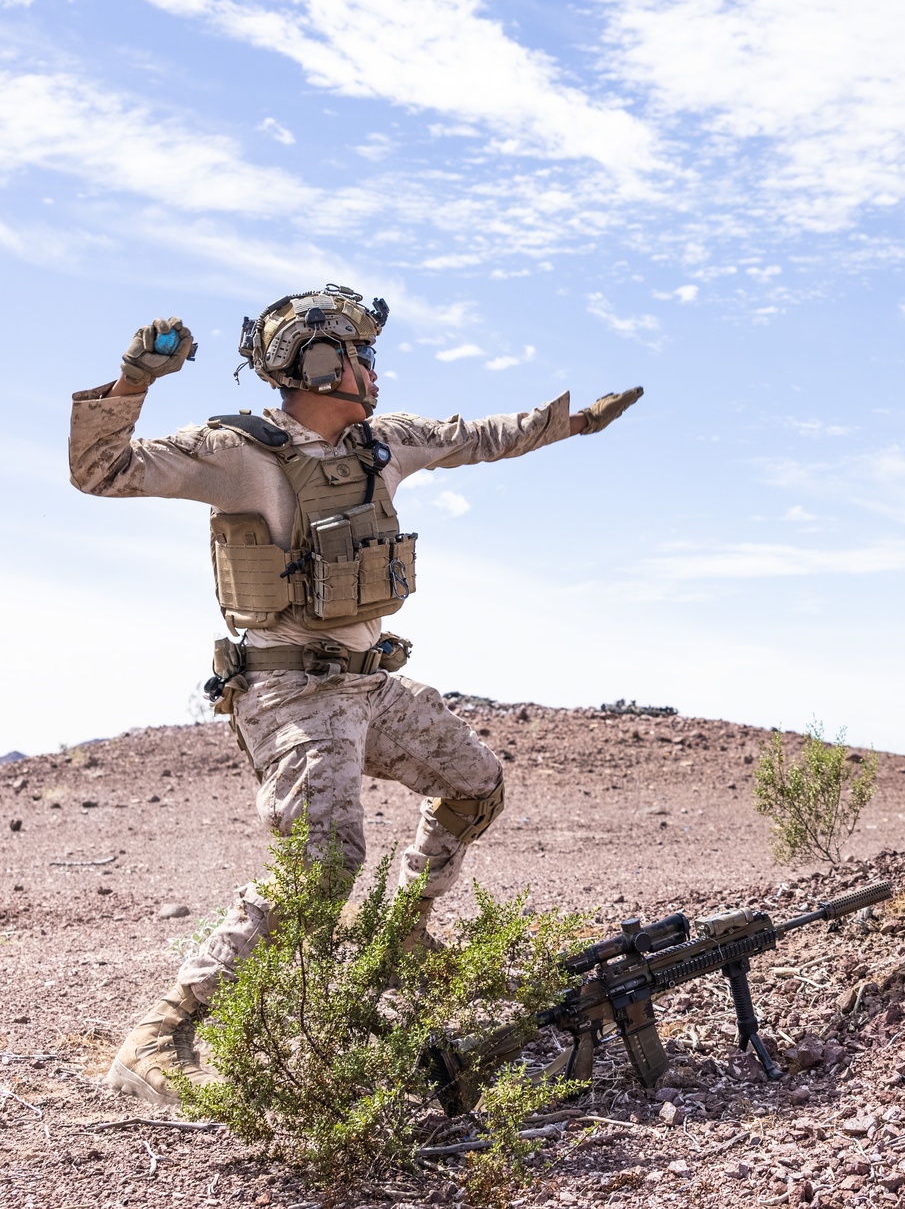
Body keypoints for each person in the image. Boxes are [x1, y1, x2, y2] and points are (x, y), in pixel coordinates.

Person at [69, 284, 642, 1107]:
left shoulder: (384, 444)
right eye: (361, 354)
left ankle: (400, 935)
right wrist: (132, 383)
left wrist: (572, 421)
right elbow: (101, 470)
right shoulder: (238, 452)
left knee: (475, 785)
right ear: (323, 362)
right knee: (322, 865)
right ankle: (164, 1031)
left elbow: (478, 436)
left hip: (369, 686)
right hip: (289, 695)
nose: (375, 370)